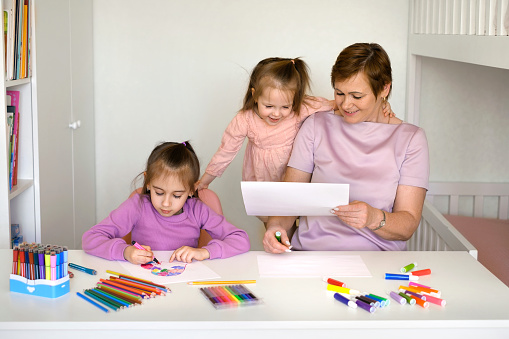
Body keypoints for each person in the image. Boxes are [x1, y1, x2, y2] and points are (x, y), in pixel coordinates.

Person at [263, 43, 429, 253]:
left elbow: (408, 224)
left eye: (357, 96)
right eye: (339, 93)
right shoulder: (316, 125)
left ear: (384, 89)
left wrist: (373, 217)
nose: (346, 104)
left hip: (377, 260)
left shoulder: (411, 139)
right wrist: (276, 228)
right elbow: (290, 200)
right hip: (311, 256)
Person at [197, 57, 394, 223]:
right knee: (275, 224)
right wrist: (205, 181)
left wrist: (381, 105)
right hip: (265, 180)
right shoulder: (245, 120)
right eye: (269, 106)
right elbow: (226, 151)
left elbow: (340, 106)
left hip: (294, 178)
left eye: (285, 107)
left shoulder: (302, 108)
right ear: (255, 95)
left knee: (296, 216)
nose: (276, 113)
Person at [82, 141, 250, 264]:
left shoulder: (198, 210)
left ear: (191, 190)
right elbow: (90, 238)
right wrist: (124, 251)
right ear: (148, 182)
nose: (166, 203)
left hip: (185, 286)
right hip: (144, 285)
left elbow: (241, 239)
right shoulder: (137, 205)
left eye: (177, 195)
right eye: (159, 192)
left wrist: (205, 252)